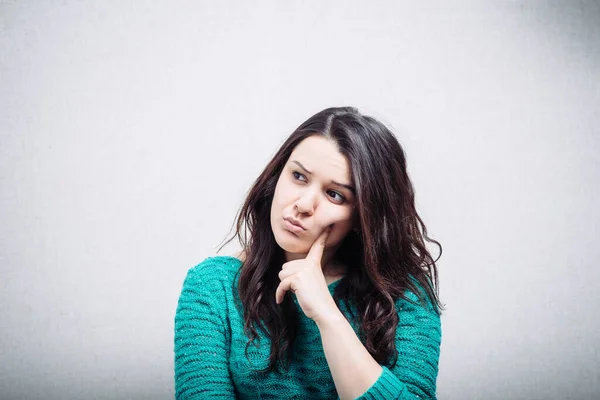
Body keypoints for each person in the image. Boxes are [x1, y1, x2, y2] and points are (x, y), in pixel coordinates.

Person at [174, 106, 443, 399]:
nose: (303, 204)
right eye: (299, 176)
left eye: (335, 194)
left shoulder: (405, 295)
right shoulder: (213, 288)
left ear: (361, 217)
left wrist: (327, 316)